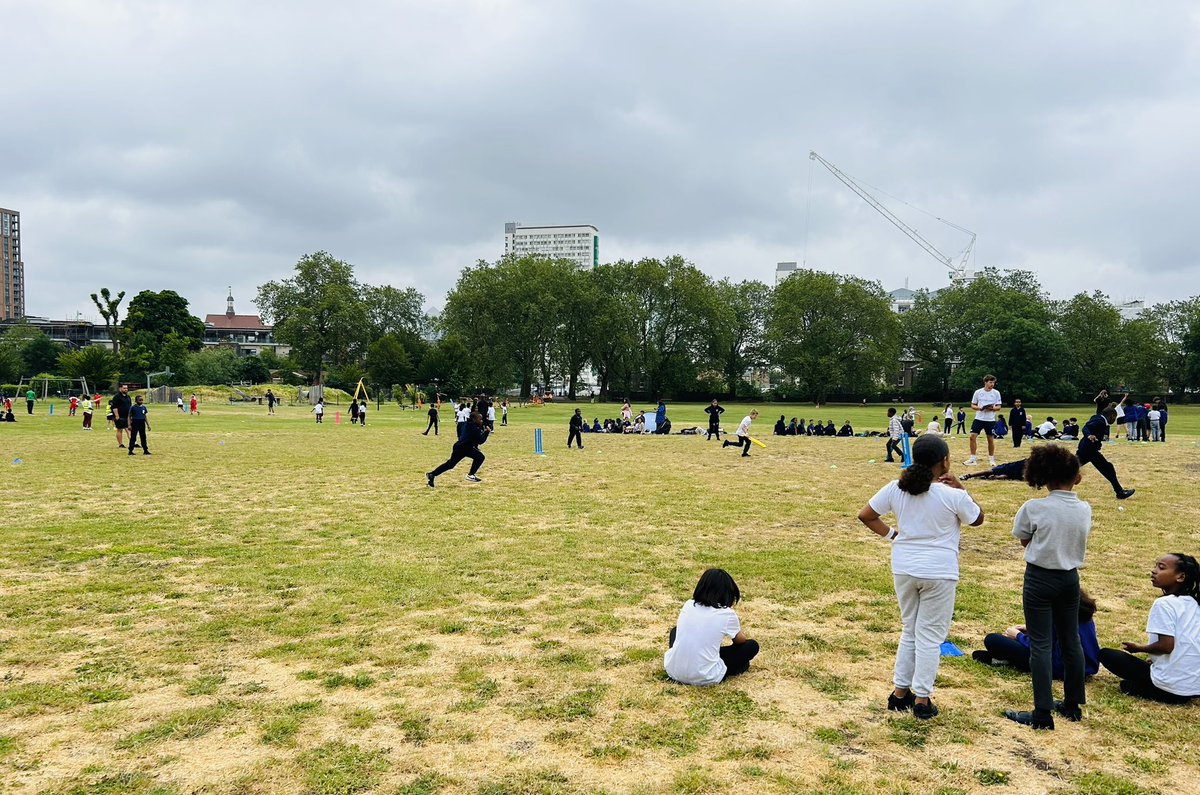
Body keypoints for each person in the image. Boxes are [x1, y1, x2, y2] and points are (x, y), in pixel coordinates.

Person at [857, 434, 984, 720]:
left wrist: (893, 535)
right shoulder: (952, 495)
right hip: (939, 571)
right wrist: (963, 489)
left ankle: (900, 692)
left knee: (910, 630)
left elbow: (866, 515)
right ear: (945, 462)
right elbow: (977, 519)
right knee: (930, 636)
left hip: (904, 567)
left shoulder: (895, 488)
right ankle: (922, 698)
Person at [1002, 444, 1091, 730]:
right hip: (1070, 579)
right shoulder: (1083, 508)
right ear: (1076, 477)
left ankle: (1042, 713)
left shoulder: (1034, 507)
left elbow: (1024, 539)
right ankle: (1073, 704)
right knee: (1071, 641)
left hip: (1040, 578)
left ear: (1041, 476)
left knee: (1040, 645)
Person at [1099, 554, 1200, 704]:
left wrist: (1139, 648)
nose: (1154, 571)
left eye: (1161, 567)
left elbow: (1166, 646)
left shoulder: (1164, 604)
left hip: (1170, 685)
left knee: (1107, 655)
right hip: (1194, 687)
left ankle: (1158, 690)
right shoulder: (1194, 603)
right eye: (1155, 566)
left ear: (1180, 577)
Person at [973, 590, 1100, 680]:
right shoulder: (1083, 614)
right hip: (1086, 668)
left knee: (993, 640)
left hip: (1057, 668)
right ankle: (1002, 659)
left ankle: (1005, 660)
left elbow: (1042, 646)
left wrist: (1018, 636)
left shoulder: (1058, 615)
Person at [663, 568, 759, 685]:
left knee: (675, 631)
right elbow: (740, 640)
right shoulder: (726, 613)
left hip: (674, 671)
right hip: (705, 676)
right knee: (751, 646)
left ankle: (682, 661)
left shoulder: (688, 605)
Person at [1077, 407, 1134, 499]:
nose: (1114, 420)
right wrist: (1089, 435)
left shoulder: (1098, 418)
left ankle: (1120, 492)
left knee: (1071, 466)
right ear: (1112, 415)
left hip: (1087, 449)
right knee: (1108, 468)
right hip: (1089, 450)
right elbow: (1086, 427)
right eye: (1115, 417)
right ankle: (1120, 492)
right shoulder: (1100, 421)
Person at [427, 410, 491, 487]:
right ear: (474, 420)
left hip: (461, 446)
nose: (481, 421)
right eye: (480, 419)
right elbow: (480, 440)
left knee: (450, 464)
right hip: (463, 448)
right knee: (480, 457)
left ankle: (432, 474)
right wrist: (487, 432)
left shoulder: (466, 424)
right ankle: (470, 475)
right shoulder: (474, 429)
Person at [964, 374, 1002, 467]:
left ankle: (991, 459)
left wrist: (992, 408)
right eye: (990, 382)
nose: (992, 384)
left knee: (990, 439)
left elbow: (999, 406)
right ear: (985, 382)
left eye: (993, 382)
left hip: (990, 420)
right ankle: (972, 458)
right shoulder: (978, 392)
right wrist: (980, 408)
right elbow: (973, 405)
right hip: (979, 418)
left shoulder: (996, 393)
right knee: (972, 437)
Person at [111, 384, 132, 449]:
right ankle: (120, 444)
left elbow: (130, 406)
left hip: (127, 416)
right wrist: (117, 416)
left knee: (129, 429)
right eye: (124, 388)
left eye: (126, 388)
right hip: (120, 416)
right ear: (120, 389)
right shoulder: (117, 397)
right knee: (120, 430)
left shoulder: (128, 397)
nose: (126, 389)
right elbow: (114, 407)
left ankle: (132, 442)